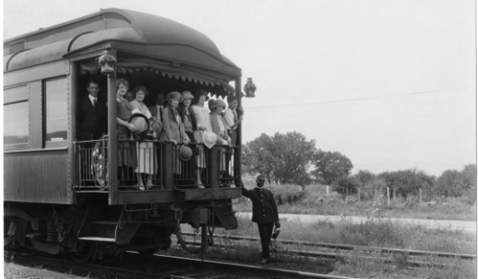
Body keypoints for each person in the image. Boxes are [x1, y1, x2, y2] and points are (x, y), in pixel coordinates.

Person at [241, 175, 280, 264]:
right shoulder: (252, 192)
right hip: (260, 219)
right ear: (256, 181)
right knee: (264, 238)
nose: (262, 182)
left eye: (263, 181)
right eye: (260, 180)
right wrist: (239, 180)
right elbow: (243, 191)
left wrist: (277, 220)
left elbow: (274, 207)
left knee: (268, 238)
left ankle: (265, 255)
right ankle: (265, 257)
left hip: (270, 218)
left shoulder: (268, 192)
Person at [129, 86, 157, 190]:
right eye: (138, 94)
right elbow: (137, 118)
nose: (140, 95)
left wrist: (152, 119)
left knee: (149, 158)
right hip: (139, 135)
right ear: (135, 94)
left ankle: (149, 182)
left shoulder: (144, 105)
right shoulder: (132, 104)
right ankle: (140, 182)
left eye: (142, 94)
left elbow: (148, 118)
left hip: (148, 135)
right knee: (139, 159)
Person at [161, 91, 191, 177]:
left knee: (176, 163)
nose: (176, 102)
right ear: (170, 100)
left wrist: (185, 137)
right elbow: (165, 125)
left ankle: (173, 182)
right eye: (174, 100)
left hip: (177, 139)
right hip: (169, 140)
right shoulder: (166, 109)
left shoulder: (177, 111)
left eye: (177, 100)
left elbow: (181, 126)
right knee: (168, 162)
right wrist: (170, 138)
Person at [115, 78, 137, 187]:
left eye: (125, 87)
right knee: (120, 159)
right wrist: (128, 125)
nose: (124, 89)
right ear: (117, 88)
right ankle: (121, 184)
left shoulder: (124, 100)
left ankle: (125, 183)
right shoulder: (114, 99)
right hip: (121, 132)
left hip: (127, 132)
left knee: (126, 159)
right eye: (121, 87)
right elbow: (114, 118)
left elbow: (127, 114)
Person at [190, 89, 212, 187]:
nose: (203, 98)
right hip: (198, 133)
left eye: (205, 96)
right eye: (201, 96)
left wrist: (211, 134)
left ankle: (199, 180)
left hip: (207, 135)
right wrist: (199, 126)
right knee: (198, 157)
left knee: (204, 159)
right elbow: (191, 121)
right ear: (197, 97)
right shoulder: (193, 108)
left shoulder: (206, 109)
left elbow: (208, 123)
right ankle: (198, 180)